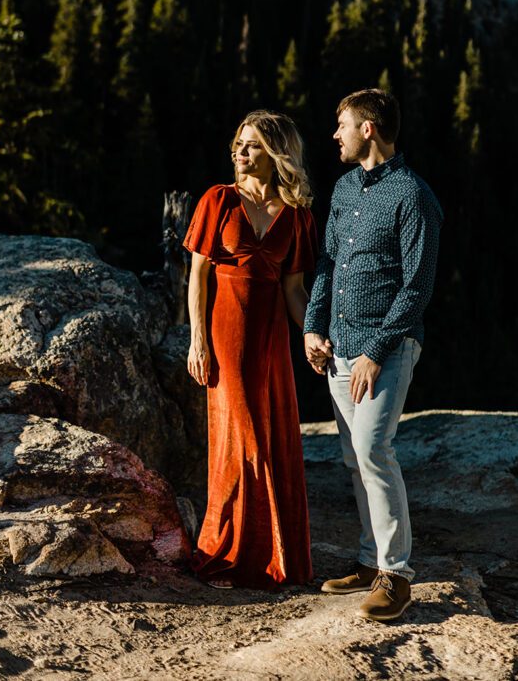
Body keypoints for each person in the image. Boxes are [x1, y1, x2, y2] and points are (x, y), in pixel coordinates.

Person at [304, 89, 443, 622]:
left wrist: (375, 352)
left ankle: (396, 576)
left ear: (368, 129)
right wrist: (313, 329)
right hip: (339, 346)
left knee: (373, 447)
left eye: (341, 125)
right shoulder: (343, 190)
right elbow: (327, 265)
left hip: (387, 347)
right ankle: (369, 560)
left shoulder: (414, 196)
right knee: (351, 456)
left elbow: (417, 287)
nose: (334, 134)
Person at [182, 109, 317, 589]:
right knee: (241, 439)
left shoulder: (297, 214)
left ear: (276, 152)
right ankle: (228, 552)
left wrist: (314, 334)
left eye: (252, 144)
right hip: (225, 331)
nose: (240, 151)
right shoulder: (218, 200)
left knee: (272, 433)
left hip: (272, 337)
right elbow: (196, 275)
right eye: (238, 142)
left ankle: (272, 555)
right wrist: (197, 339)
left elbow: (294, 290)